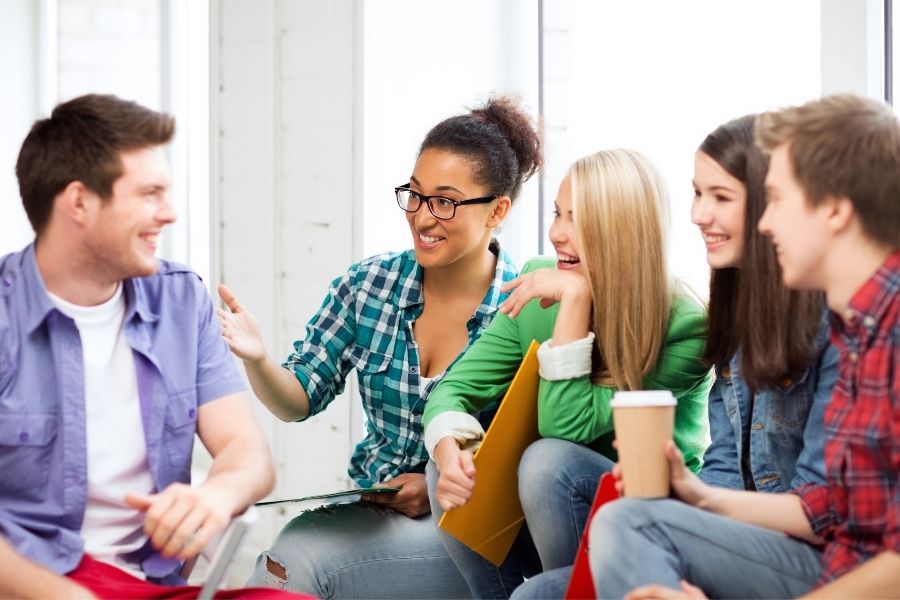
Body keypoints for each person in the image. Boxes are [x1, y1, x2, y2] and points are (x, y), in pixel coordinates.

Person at [217, 96, 543, 598]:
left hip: (471, 535)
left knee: (302, 556)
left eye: (445, 201)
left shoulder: (524, 308)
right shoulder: (369, 285)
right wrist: (258, 358)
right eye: (413, 194)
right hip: (375, 514)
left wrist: (435, 489)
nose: (422, 217)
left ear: (498, 210)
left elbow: (529, 464)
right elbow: (298, 398)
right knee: (286, 555)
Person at [511, 115, 840, 598]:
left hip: (807, 552)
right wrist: (693, 502)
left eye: (720, 197)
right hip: (736, 534)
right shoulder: (737, 314)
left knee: (631, 523)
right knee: (533, 594)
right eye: (696, 194)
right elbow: (726, 462)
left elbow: (820, 510)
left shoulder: (831, 321)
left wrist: (691, 513)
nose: (697, 214)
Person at [588, 94, 900, 599]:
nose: (766, 222)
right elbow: (829, 506)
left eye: (775, 199)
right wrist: (702, 497)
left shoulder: (884, 330)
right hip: (820, 563)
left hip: (823, 571)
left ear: (836, 211)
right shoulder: (860, 327)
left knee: (630, 525)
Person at [0, 94, 289, 598]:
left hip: (150, 583)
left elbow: (249, 453)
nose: (170, 213)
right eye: (150, 193)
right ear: (80, 202)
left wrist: (217, 495)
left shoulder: (181, 301)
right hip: (36, 583)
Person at [423, 148, 712, 598]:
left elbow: (565, 428)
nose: (556, 233)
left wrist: (575, 302)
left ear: (625, 233)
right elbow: (454, 390)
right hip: (541, 509)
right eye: (557, 214)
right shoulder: (541, 281)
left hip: (642, 517)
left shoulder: (685, 327)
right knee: (450, 463)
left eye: (579, 220)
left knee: (548, 461)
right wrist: (447, 451)